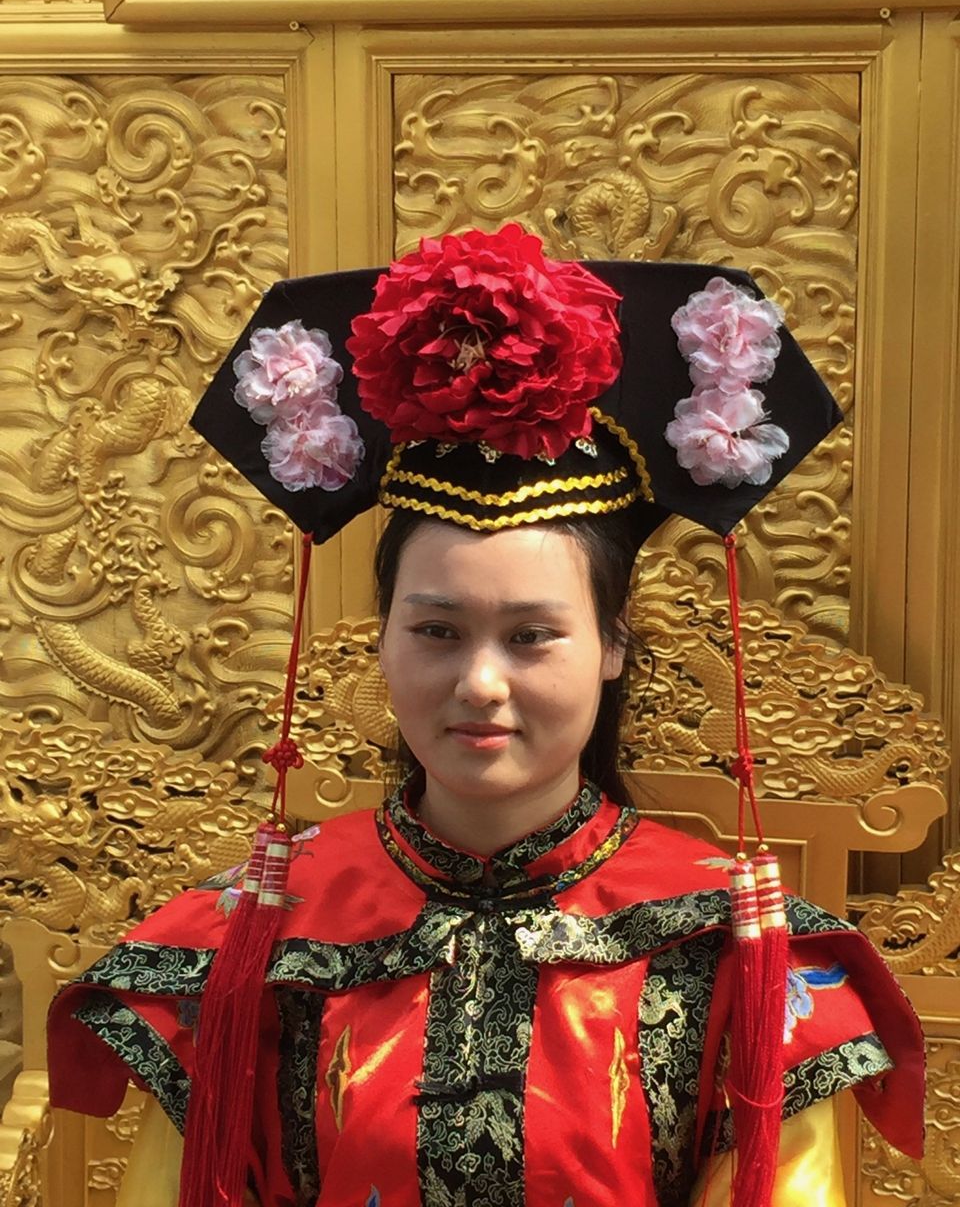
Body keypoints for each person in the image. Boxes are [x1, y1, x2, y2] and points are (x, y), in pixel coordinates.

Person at [47, 226, 924, 1207]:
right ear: (380, 640)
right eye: (437, 630)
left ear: (614, 645)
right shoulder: (250, 937)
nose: (481, 682)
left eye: (533, 635)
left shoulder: (742, 951)